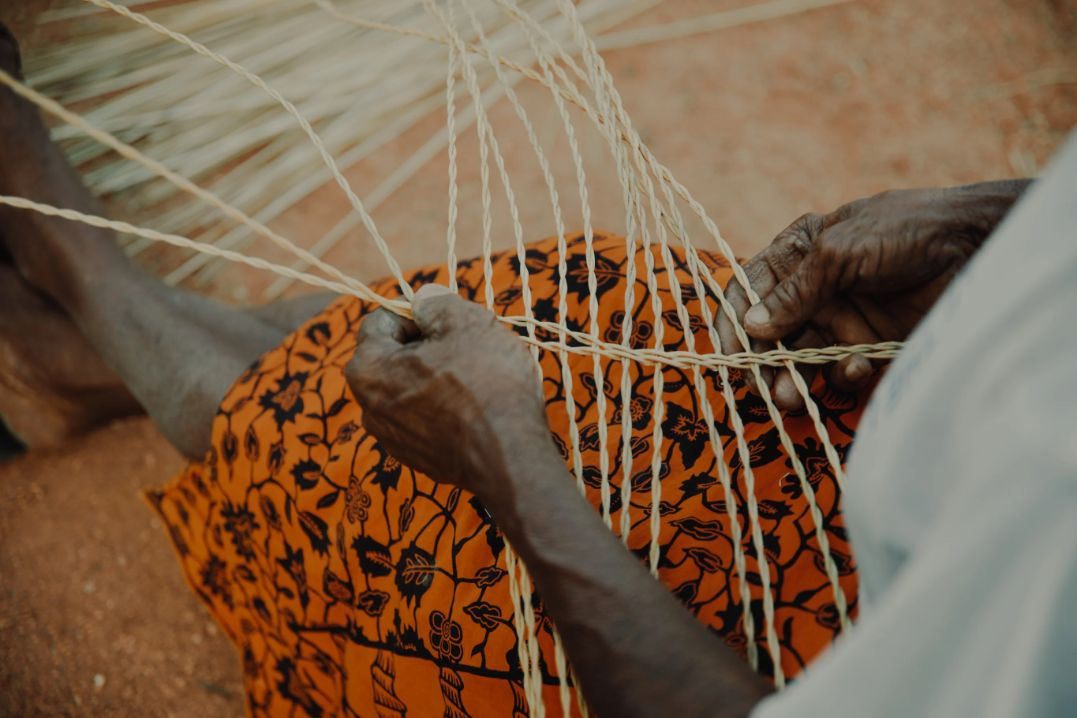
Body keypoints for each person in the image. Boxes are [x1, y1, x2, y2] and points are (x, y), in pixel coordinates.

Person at [3, 25, 1071, 717]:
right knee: (589, 302)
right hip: (869, 415)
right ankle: (87, 351)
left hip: (796, 649)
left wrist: (506, 457)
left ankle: (87, 280)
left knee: (374, 491)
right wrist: (990, 226)